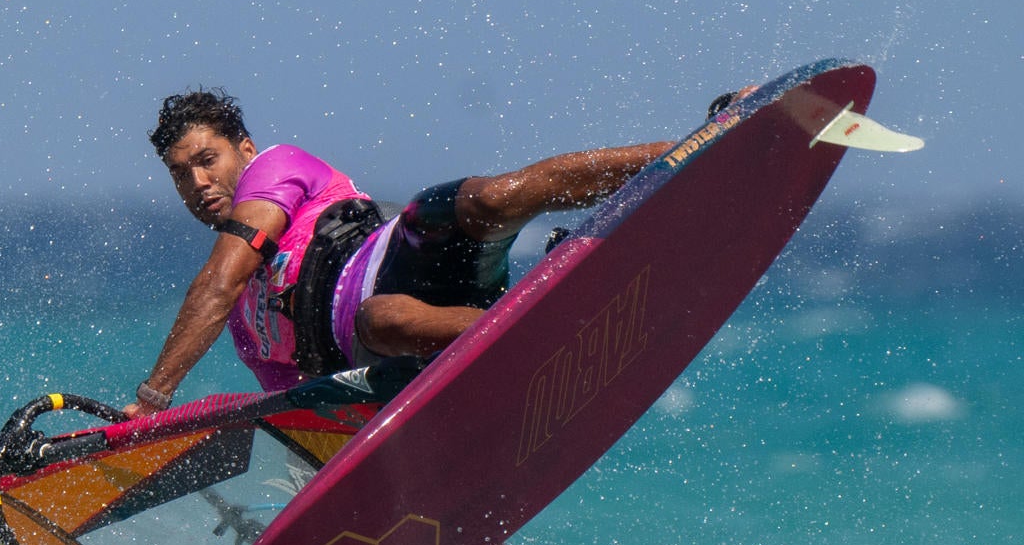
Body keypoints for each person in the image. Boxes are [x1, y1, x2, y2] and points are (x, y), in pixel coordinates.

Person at [123, 89, 680, 416]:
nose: (198, 181)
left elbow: (219, 281)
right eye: (180, 174)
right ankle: (551, 327)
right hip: (394, 347)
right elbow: (305, 408)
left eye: (207, 159)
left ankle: (689, 151)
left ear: (243, 148)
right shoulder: (244, 325)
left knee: (487, 199)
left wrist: (152, 400)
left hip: (410, 253)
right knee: (382, 317)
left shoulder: (276, 168)